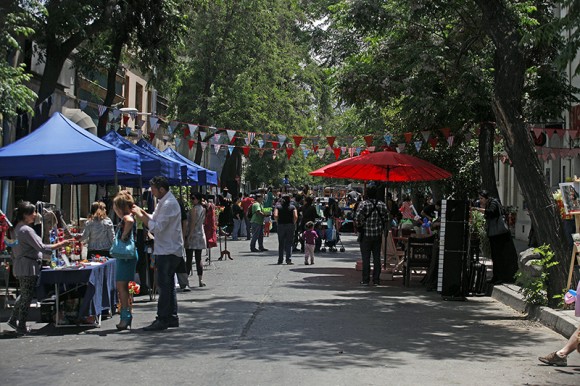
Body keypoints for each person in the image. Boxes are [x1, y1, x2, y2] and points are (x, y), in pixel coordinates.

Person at [8, 201, 73, 335]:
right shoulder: (26, 230)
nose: (35, 215)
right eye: (33, 213)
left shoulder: (17, 229)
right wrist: (61, 244)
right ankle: (20, 324)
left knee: (25, 293)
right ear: (26, 215)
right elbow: (42, 247)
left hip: (22, 265)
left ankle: (15, 320)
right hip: (27, 266)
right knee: (26, 295)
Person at [133, 176, 184, 331]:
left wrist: (141, 217)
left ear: (161, 189)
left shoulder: (168, 204)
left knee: (164, 285)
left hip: (168, 250)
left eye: (154, 189)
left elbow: (157, 227)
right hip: (167, 248)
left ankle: (162, 318)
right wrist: (142, 212)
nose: (152, 192)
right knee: (167, 285)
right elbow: (154, 218)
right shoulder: (164, 202)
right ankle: (172, 317)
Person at [474, 190, 518, 284]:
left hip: (500, 235)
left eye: (481, 198)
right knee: (495, 256)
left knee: (500, 256)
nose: (480, 200)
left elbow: (491, 212)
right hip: (494, 234)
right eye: (479, 198)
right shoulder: (488, 203)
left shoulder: (493, 202)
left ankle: (502, 277)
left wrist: (478, 210)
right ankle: (497, 276)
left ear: (486, 198)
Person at [111, 190, 138, 330]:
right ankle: (126, 315)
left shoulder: (127, 217)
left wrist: (123, 237)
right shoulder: (129, 215)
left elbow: (129, 221)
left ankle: (125, 316)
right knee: (124, 287)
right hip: (128, 255)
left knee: (122, 287)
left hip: (125, 255)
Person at [355, 186, 388, 286]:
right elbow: (386, 219)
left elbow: (357, 218)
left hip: (365, 235)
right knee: (377, 258)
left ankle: (365, 280)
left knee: (366, 258)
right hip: (377, 235)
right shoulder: (382, 205)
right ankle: (376, 280)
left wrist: (361, 225)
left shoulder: (363, 204)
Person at [184, 192, 207, 288]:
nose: (191, 200)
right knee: (198, 258)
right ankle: (200, 280)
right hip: (200, 234)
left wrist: (188, 236)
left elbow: (192, 223)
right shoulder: (204, 209)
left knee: (189, 259)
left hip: (193, 235)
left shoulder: (193, 210)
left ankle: (186, 281)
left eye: (193, 198)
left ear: (197, 199)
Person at [273, 194, 297, 265]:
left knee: (281, 243)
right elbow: (295, 216)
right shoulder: (293, 207)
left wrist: (277, 222)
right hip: (290, 225)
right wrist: (293, 223)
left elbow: (275, 215)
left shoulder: (278, 207)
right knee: (289, 243)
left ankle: (280, 260)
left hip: (281, 225)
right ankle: (288, 259)